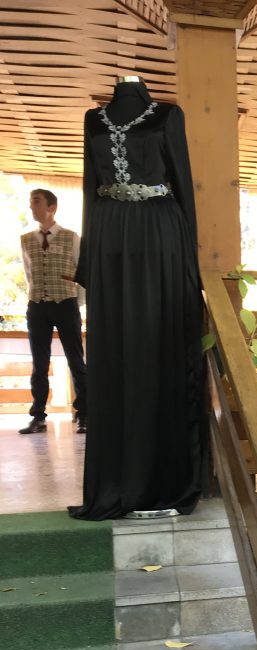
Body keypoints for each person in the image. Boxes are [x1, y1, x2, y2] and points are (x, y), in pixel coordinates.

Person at [68, 77, 203, 520]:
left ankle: (167, 480)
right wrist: (88, 260)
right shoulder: (93, 120)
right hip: (109, 234)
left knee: (161, 341)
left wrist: (189, 258)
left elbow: (182, 182)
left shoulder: (168, 115)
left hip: (161, 233)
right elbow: (89, 187)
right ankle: (116, 481)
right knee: (115, 349)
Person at [19, 188, 87, 435]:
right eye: (31, 201)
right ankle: (38, 416)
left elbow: (81, 272)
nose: (31, 206)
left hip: (66, 303)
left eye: (36, 201)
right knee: (39, 363)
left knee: (76, 360)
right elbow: (29, 274)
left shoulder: (71, 237)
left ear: (51, 207)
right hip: (37, 306)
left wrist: (75, 303)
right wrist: (37, 296)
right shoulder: (26, 240)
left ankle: (84, 414)